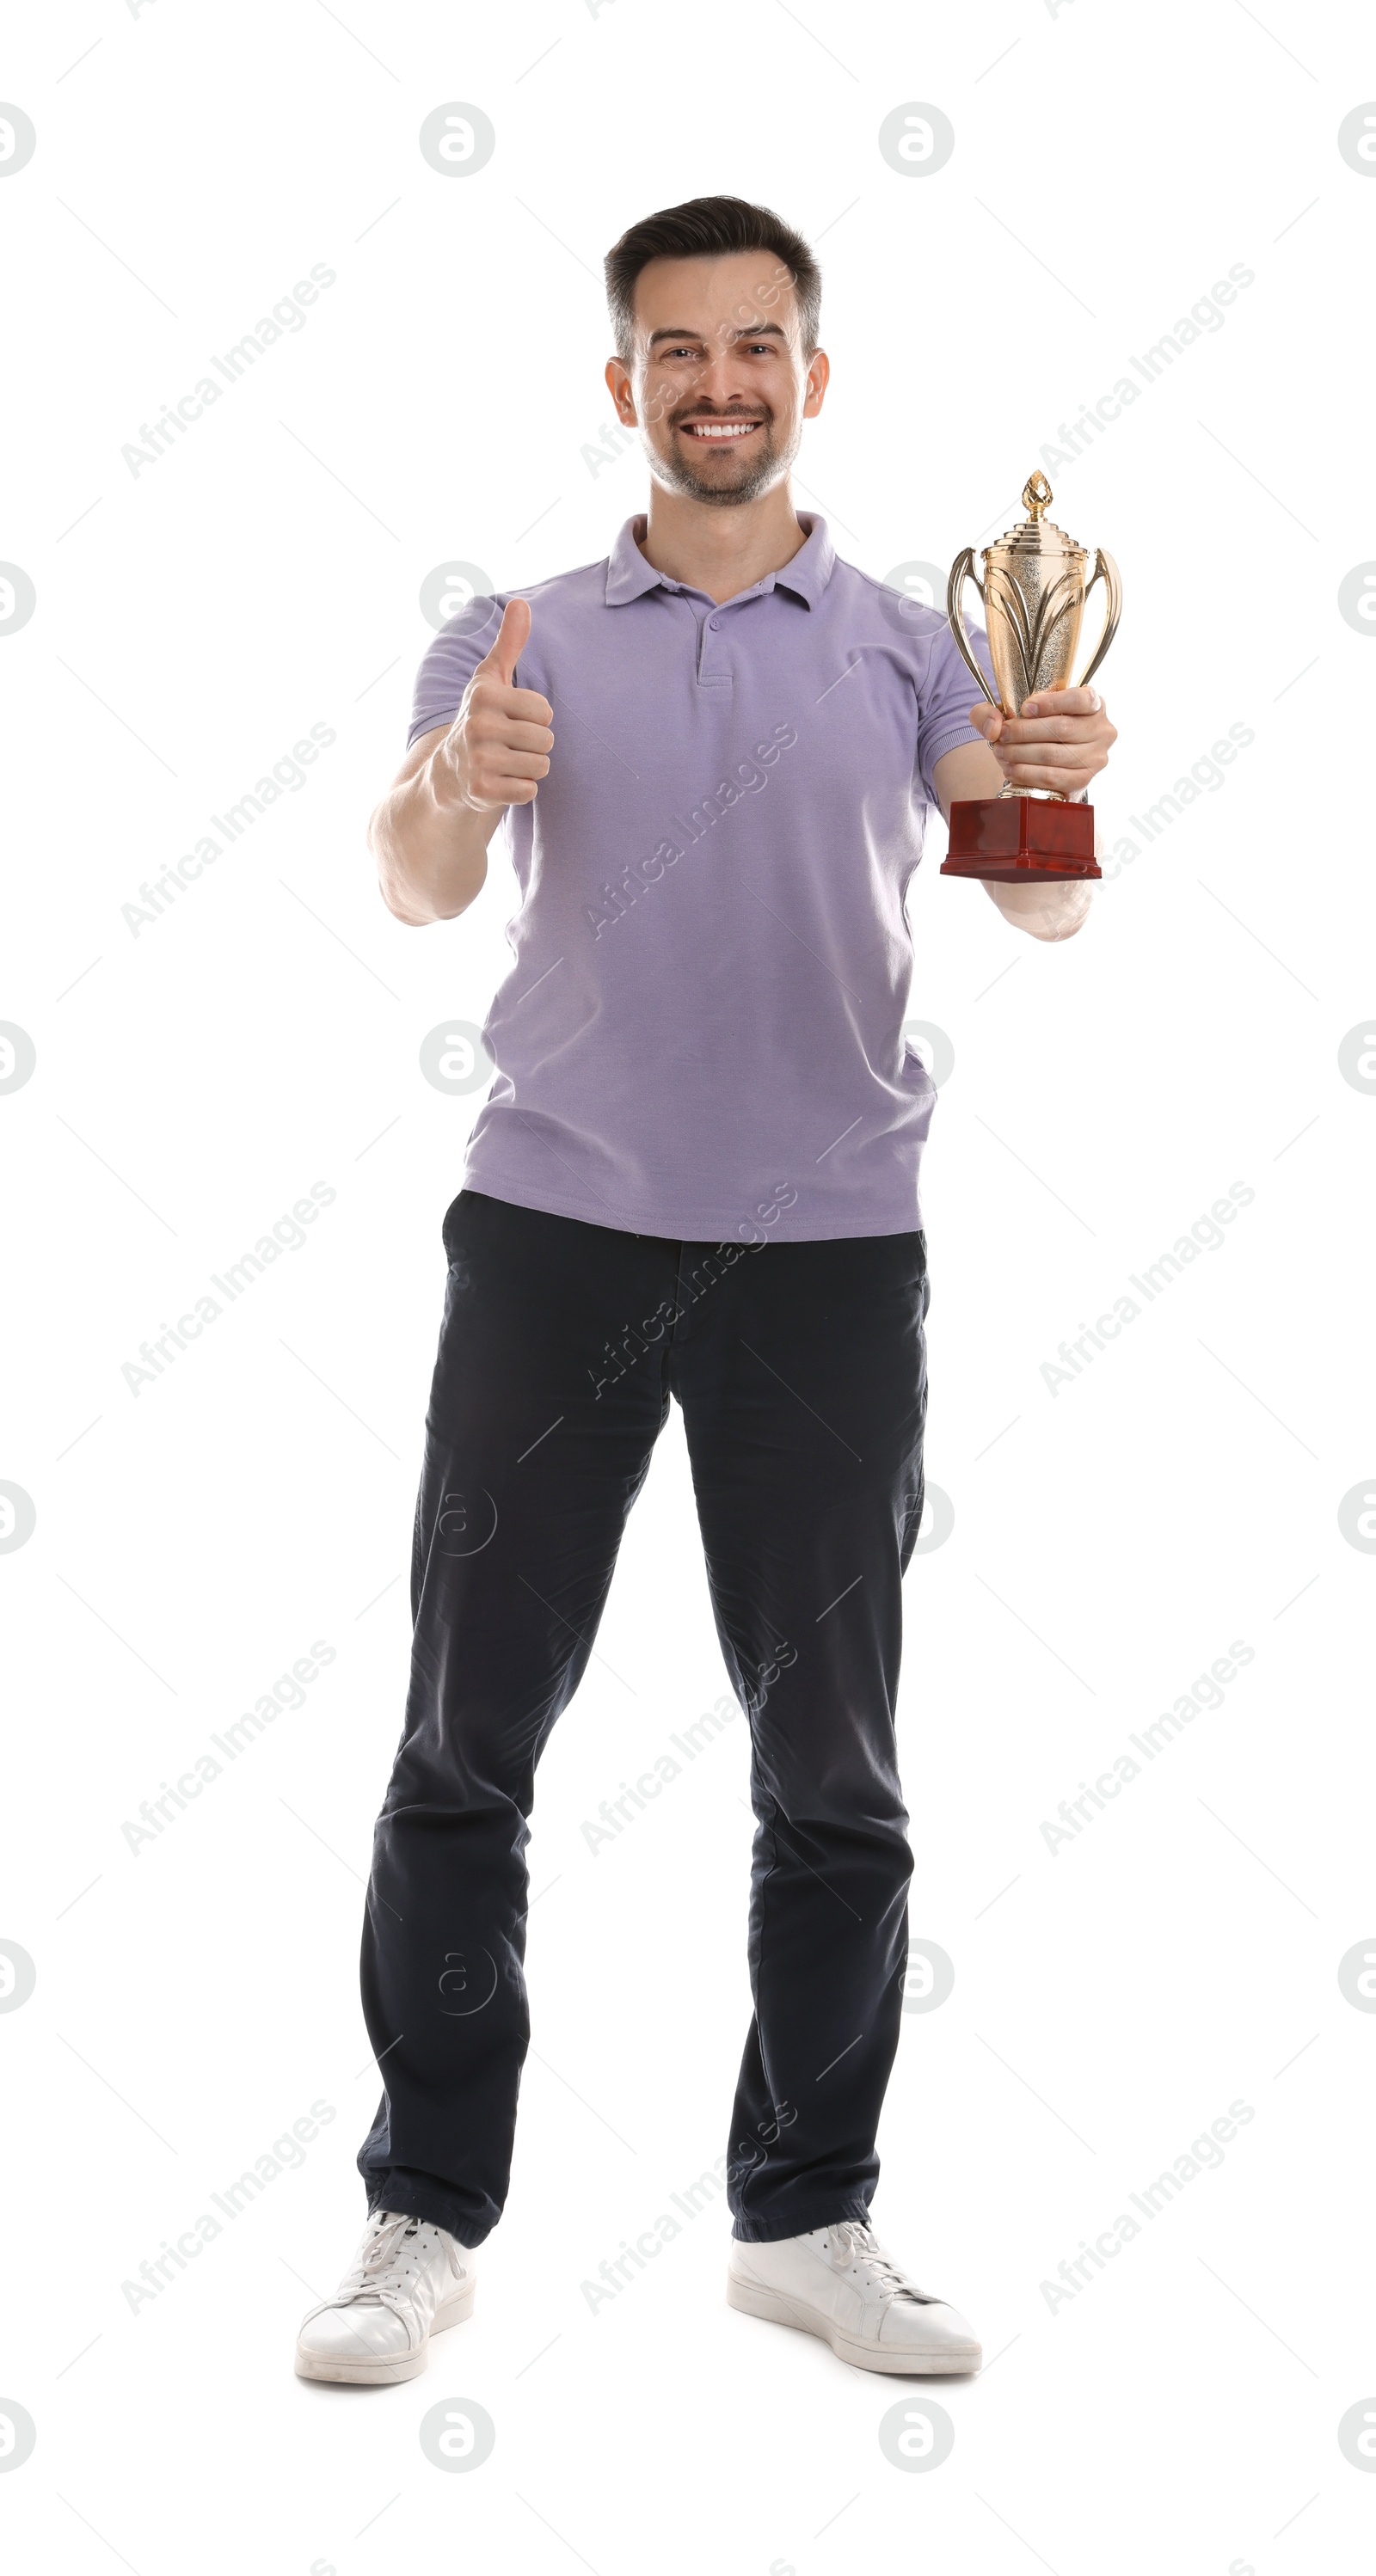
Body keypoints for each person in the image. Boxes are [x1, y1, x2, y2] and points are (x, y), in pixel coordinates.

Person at [294, 194, 1116, 2389]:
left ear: (809, 378)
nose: (721, 383)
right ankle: (418, 2214)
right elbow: (410, 876)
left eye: (758, 347)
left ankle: (804, 2218)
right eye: (680, 352)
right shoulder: (521, 631)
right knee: (467, 1744)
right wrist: (455, 779)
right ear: (625, 385)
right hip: (556, 1243)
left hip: (831, 1258)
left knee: (831, 1770)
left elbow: (1026, 912)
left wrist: (1044, 789)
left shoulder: (914, 639)